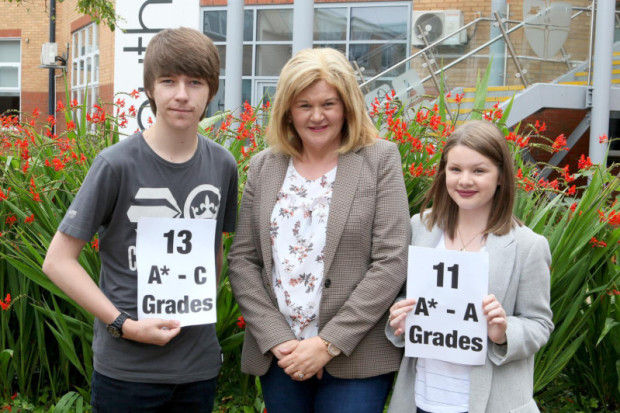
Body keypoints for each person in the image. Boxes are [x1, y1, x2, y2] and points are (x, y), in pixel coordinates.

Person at [42, 27, 238, 413]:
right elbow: (57, 261)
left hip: (196, 368)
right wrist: (124, 325)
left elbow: (212, 248)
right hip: (126, 371)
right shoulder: (115, 164)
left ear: (211, 91)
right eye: (169, 81)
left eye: (195, 82)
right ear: (151, 88)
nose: (182, 94)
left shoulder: (222, 164)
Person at [227, 47, 410, 413]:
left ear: (347, 105)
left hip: (355, 354)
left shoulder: (379, 159)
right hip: (283, 356)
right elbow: (243, 260)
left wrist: (327, 343)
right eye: (304, 105)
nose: (317, 116)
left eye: (328, 103)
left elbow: (392, 260)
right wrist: (278, 338)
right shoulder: (264, 166)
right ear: (287, 110)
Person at [386, 120, 554, 413]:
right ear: (443, 173)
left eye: (479, 170)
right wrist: (399, 318)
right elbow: (406, 297)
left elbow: (539, 324)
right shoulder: (420, 227)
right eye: (455, 169)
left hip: (489, 403)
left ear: (501, 176)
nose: (465, 181)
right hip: (421, 399)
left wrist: (504, 332)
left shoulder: (529, 246)